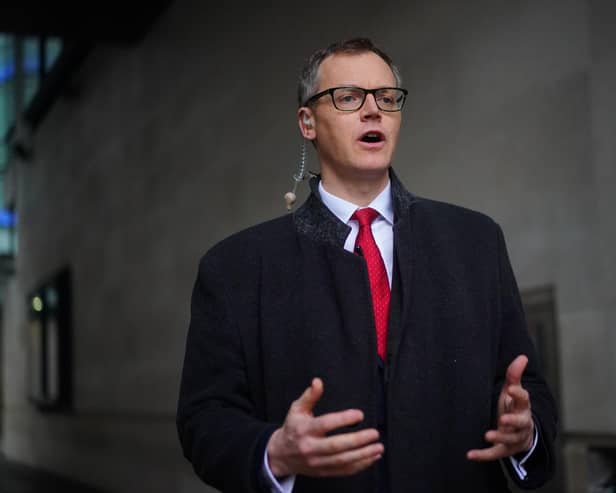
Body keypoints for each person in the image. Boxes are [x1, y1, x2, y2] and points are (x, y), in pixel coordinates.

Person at [176, 38, 558, 493]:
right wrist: (275, 451)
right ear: (307, 122)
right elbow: (205, 420)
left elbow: (528, 385)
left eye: (386, 98)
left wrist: (526, 431)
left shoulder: (475, 241)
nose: (373, 110)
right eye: (349, 97)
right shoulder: (237, 267)